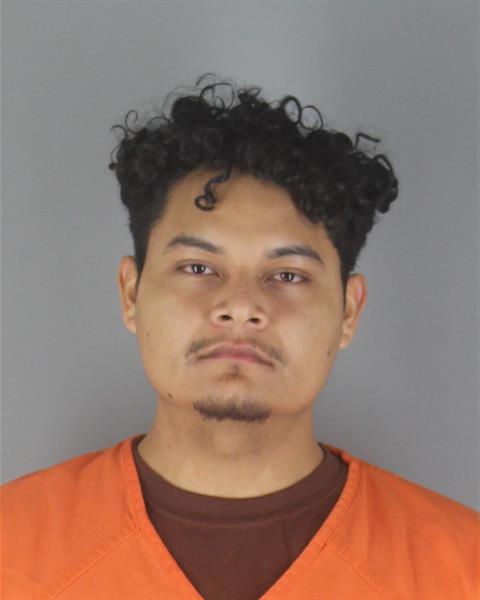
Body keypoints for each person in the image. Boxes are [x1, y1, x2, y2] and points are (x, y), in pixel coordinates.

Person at [2, 73, 477, 600]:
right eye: (198, 268)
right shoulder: (11, 548)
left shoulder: (463, 567)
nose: (242, 306)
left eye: (288, 275)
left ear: (349, 310)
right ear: (131, 293)